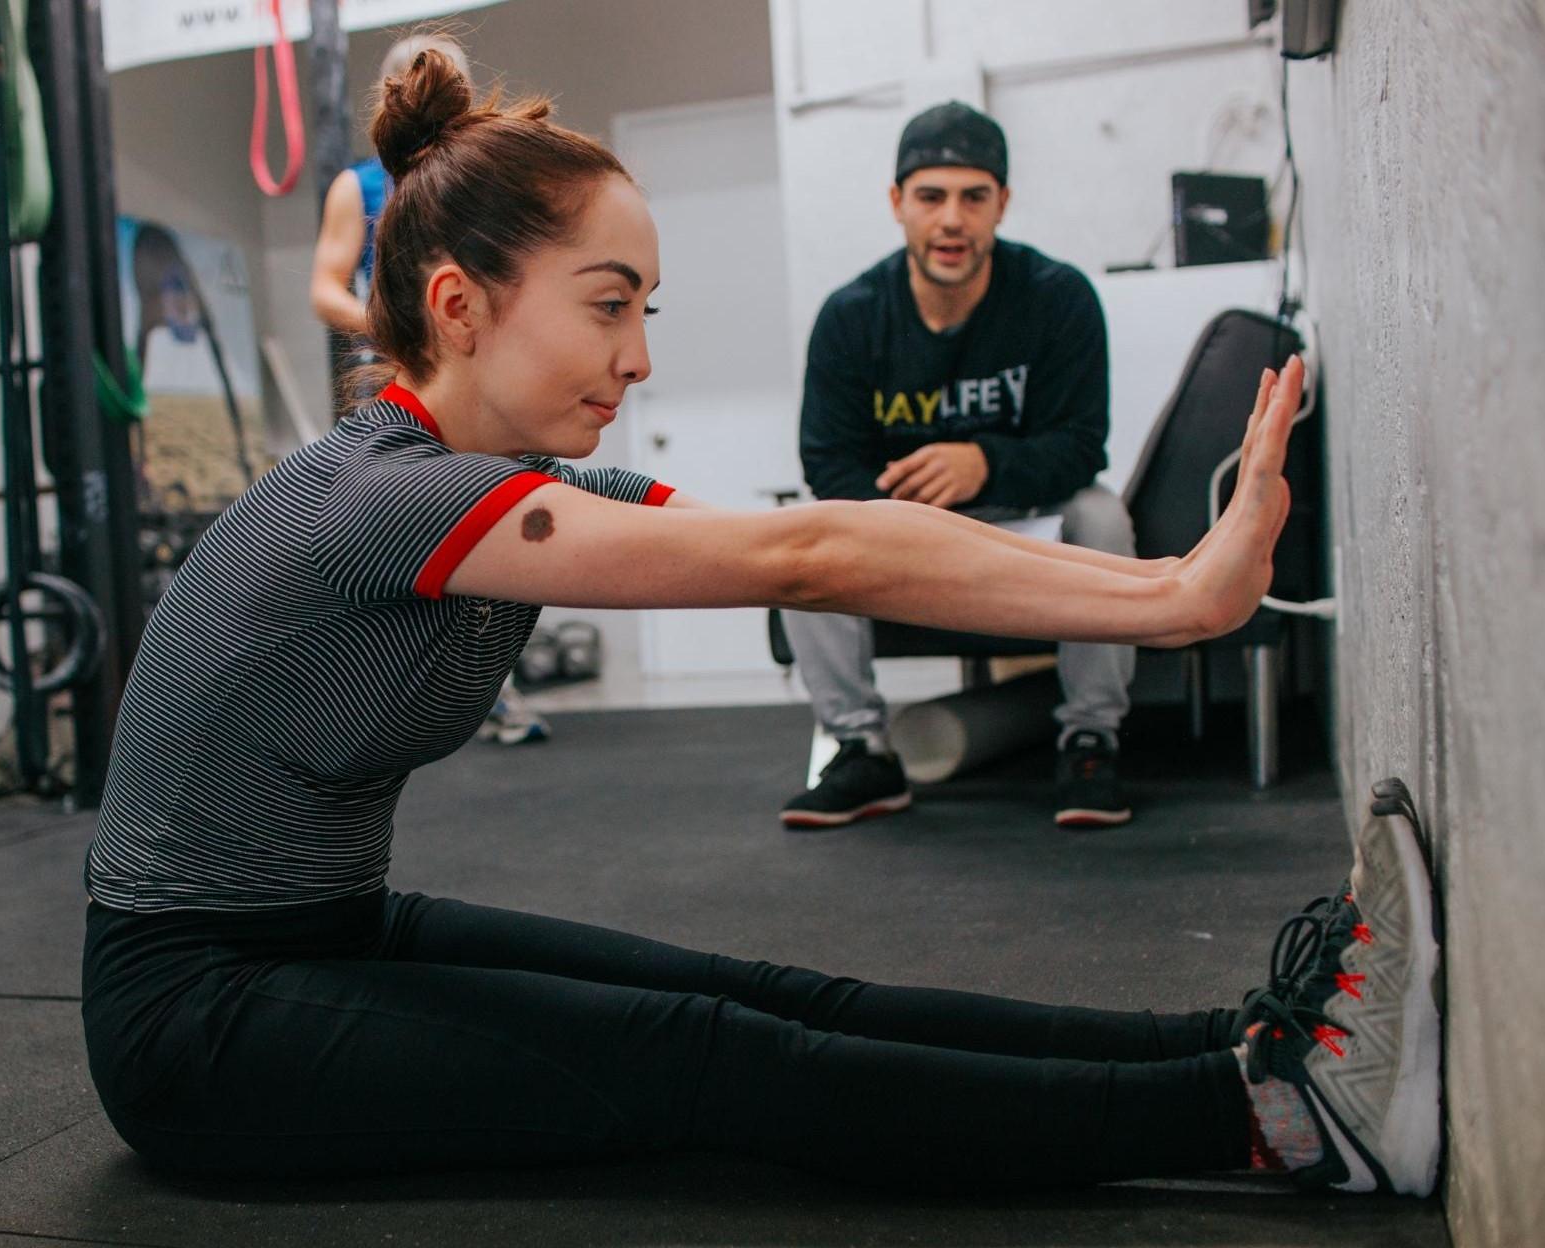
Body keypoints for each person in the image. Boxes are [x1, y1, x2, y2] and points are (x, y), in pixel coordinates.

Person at [81, 49, 1441, 1198]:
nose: (640, 357)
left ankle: (1241, 1042)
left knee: (774, 996)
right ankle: (1275, 1125)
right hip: (196, 1020)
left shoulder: (522, 486)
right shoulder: (388, 498)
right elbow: (813, 541)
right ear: (460, 306)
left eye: (645, 312)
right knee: (702, 1057)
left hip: (329, 933)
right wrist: (1177, 599)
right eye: (609, 307)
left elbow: (835, 551)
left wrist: (1176, 589)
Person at [781, 101, 1137, 833]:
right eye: (931, 197)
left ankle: (1090, 739)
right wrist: (908, 522)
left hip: (1018, 513)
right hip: (899, 521)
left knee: (1102, 515)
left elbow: (1081, 444)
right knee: (794, 529)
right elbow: (828, 461)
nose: (952, 220)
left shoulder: (1057, 296)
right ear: (897, 204)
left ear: (1001, 203)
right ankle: (860, 748)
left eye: (974, 197)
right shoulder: (851, 315)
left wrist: (983, 463)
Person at [309, 32, 547, 745]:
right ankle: (386, 693)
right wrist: (399, 329)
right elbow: (325, 288)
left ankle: (487, 688)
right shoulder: (359, 187)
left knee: (494, 514)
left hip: (476, 373)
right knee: (396, 527)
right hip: (397, 381)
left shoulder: (485, 178)